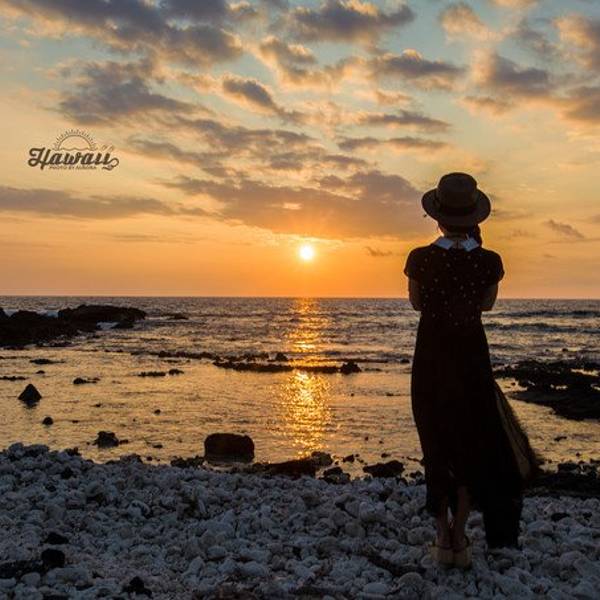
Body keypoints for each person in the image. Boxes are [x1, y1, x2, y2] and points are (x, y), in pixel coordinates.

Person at [404, 172, 541, 569]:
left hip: (431, 358)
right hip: (470, 359)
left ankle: (442, 537)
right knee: (469, 445)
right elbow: (486, 305)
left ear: (437, 216)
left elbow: (417, 304)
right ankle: (460, 535)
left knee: (435, 442)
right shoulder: (489, 261)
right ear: (473, 217)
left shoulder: (420, 258)